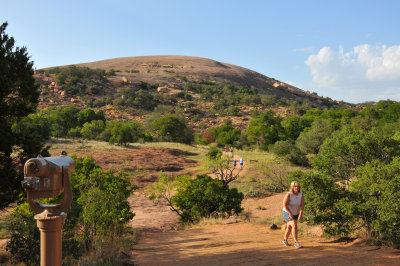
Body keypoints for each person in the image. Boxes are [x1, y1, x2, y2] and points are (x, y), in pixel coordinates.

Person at [282, 181, 304, 248]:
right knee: (294, 224)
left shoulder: (301, 194)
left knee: (289, 227)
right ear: (292, 187)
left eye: (297, 186)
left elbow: (302, 205)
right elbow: (284, 205)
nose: (296, 187)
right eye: (295, 186)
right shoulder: (289, 194)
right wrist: (290, 213)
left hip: (296, 213)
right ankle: (296, 242)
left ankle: (285, 240)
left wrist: (300, 214)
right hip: (287, 212)